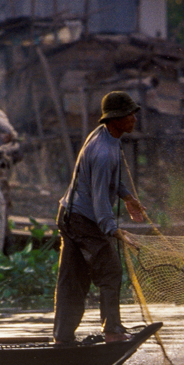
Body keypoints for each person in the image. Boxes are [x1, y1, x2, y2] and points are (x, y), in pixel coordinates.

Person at [53, 90, 147, 345]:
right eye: (130, 115)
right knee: (111, 271)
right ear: (116, 119)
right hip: (83, 219)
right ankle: (114, 332)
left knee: (72, 280)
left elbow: (107, 181)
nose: (134, 119)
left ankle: (62, 338)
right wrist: (113, 229)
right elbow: (98, 198)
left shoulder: (104, 137)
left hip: (68, 214)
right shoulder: (104, 151)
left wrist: (126, 196)